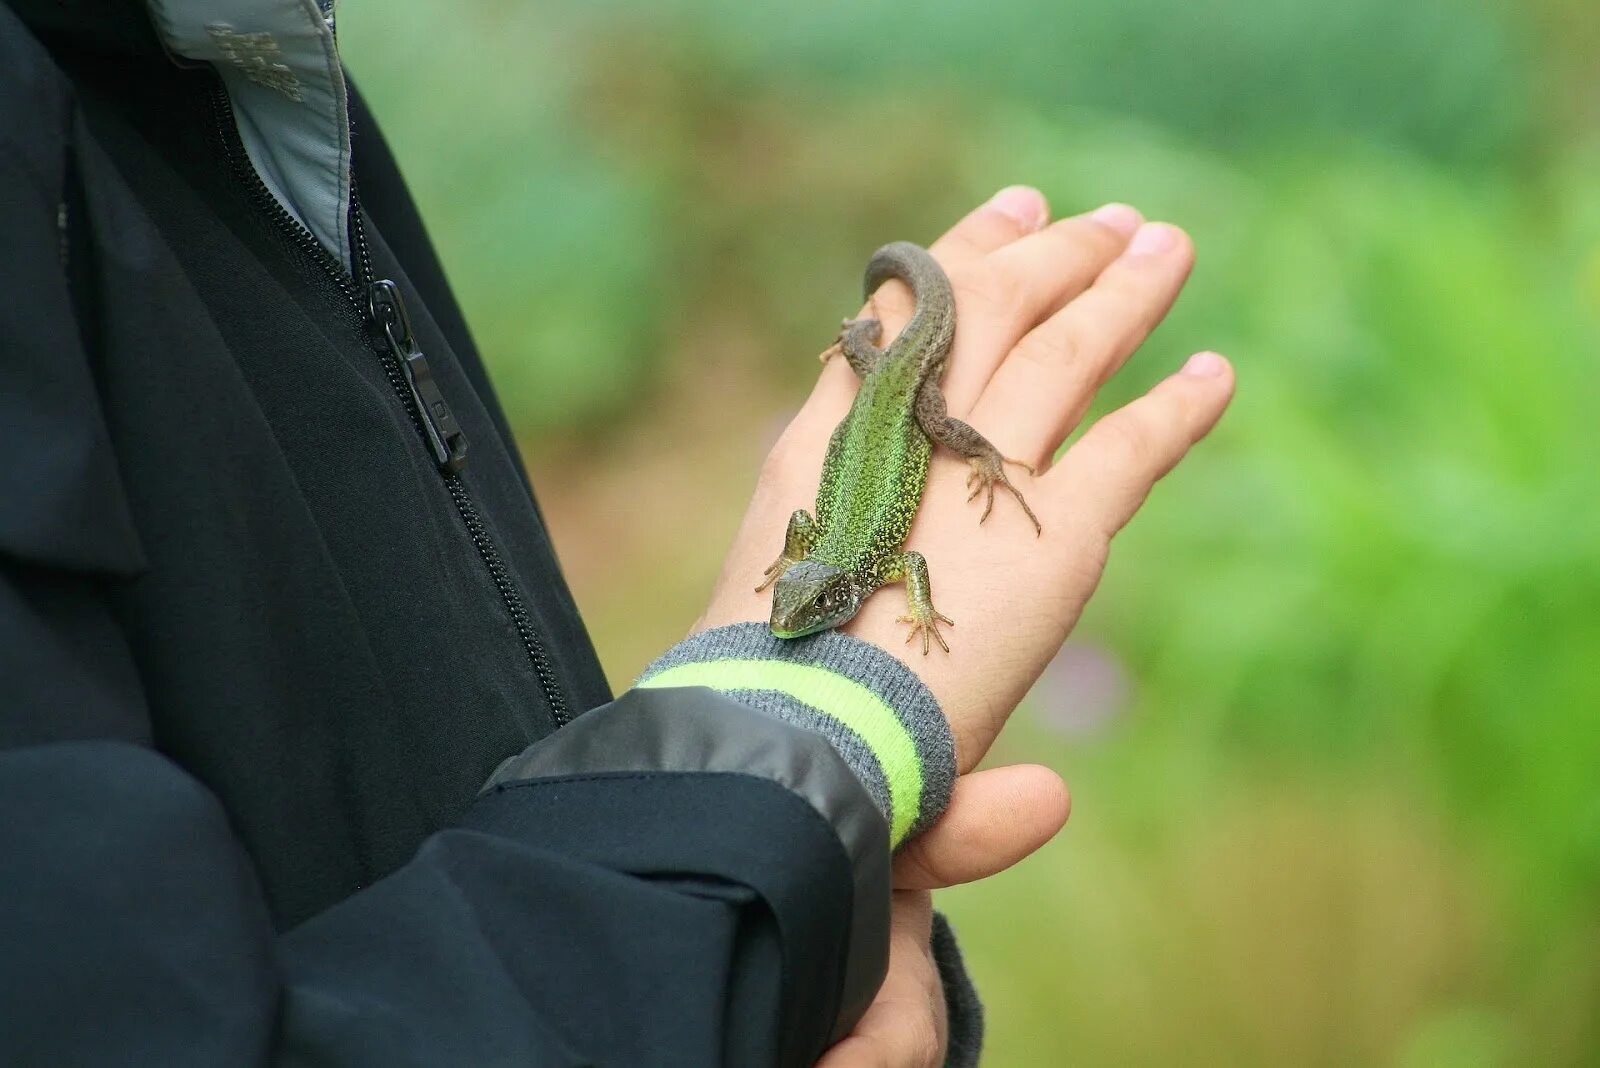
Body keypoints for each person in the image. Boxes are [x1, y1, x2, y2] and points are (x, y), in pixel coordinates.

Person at [0, 2, 1234, 1065]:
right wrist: (751, 912)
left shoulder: (224, 75)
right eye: (799, 602)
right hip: (643, 911)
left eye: (802, 603)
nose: (801, 607)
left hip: (896, 412)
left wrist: (765, 933)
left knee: (957, 438)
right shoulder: (143, 89)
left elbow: (873, 526)